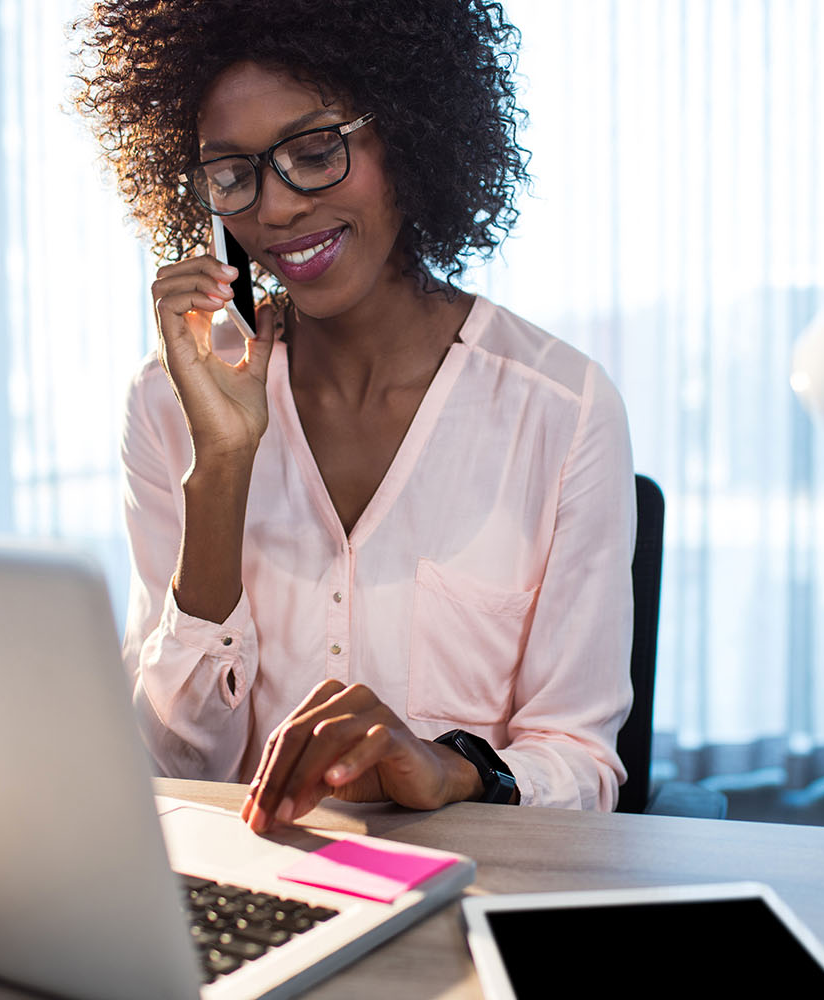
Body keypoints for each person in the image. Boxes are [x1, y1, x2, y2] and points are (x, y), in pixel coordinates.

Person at [74, 0, 636, 832]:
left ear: (407, 138)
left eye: (314, 152)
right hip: (261, 896)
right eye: (233, 173)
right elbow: (175, 770)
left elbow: (582, 766)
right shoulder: (168, 405)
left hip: (472, 896)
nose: (275, 208)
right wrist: (222, 472)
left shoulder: (560, 410)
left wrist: (448, 767)